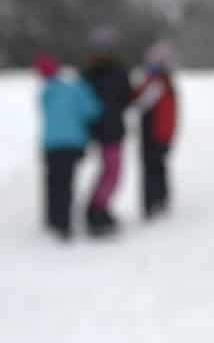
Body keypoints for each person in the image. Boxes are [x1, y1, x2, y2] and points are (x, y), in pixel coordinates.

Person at [34, 53, 101, 240]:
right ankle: (64, 224)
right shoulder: (77, 88)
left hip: (51, 144)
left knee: (53, 181)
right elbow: (92, 111)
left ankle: (53, 218)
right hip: (72, 144)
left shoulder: (46, 93)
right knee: (66, 182)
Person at [82, 26, 133, 235]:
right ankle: (96, 210)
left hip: (111, 129)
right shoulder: (90, 74)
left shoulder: (116, 71)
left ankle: (98, 208)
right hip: (103, 130)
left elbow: (127, 98)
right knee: (112, 172)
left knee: (111, 172)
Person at [133, 42, 179, 219]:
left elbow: (142, 102)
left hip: (155, 133)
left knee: (152, 168)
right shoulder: (165, 83)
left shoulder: (158, 83)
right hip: (161, 134)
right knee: (158, 167)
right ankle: (160, 199)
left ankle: (153, 202)